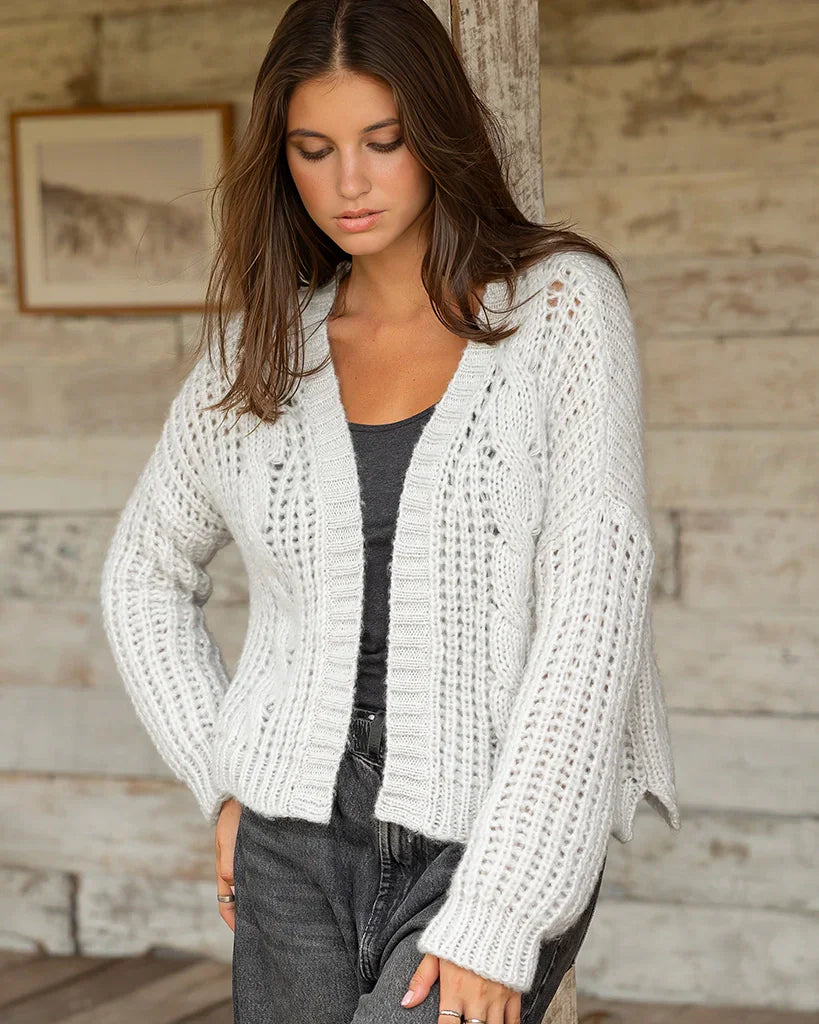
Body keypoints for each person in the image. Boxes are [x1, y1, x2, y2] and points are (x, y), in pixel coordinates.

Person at [99, 1, 682, 1022]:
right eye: (315, 150)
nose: (350, 184)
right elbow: (142, 570)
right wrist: (223, 778)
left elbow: (595, 603)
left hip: (487, 827)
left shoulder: (558, 307)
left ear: (438, 134)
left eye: (383, 141)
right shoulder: (260, 349)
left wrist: (501, 910)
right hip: (291, 836)